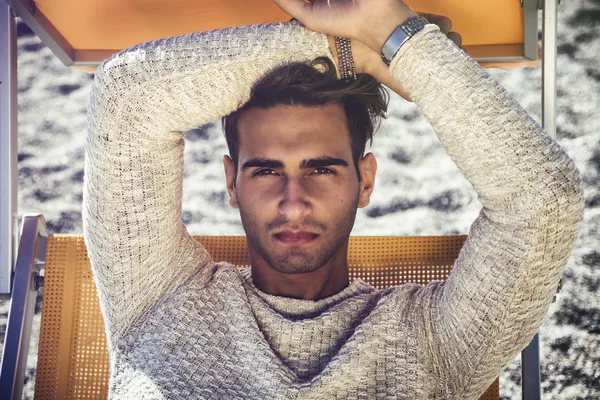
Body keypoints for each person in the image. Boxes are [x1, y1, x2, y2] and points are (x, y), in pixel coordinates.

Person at [83, 0, 583, 398]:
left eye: (321, 169)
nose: (293, 202)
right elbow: (128, 96)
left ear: (365, 181)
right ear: (231, 182)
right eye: (265, 171)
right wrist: (355, 51)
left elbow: (545, 202)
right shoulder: (159, 298)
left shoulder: (434, 343)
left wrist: (398, 35)